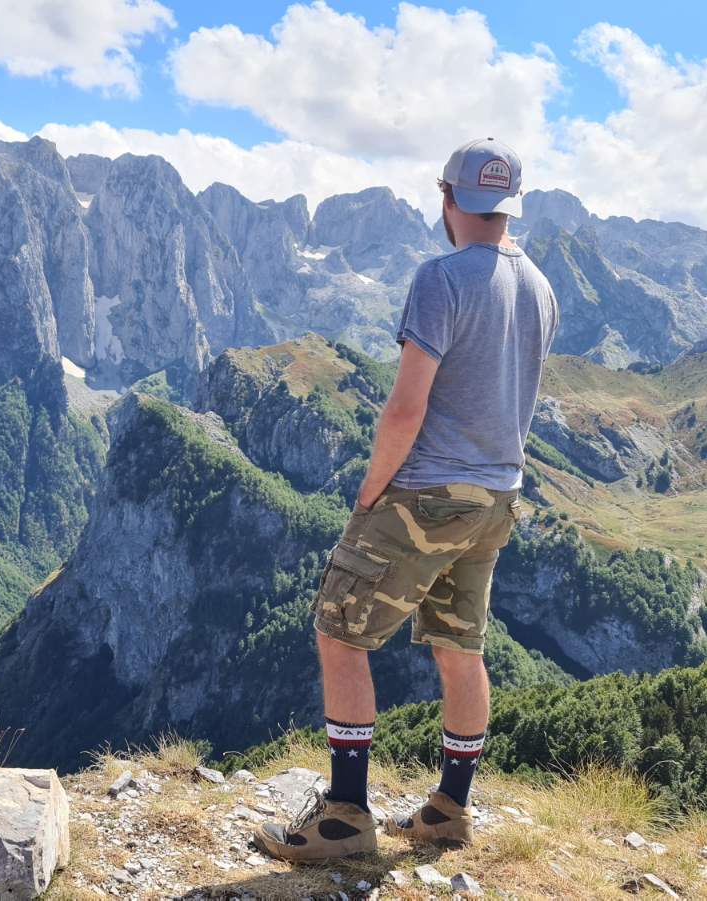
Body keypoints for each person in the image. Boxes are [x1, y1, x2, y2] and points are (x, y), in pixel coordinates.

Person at [255, 138, 558, 862]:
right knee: (461, 646)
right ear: (511, 204)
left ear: (448, 198)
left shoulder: (440, 278)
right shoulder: (542, 287)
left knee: (340, 631)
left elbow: (405, 409)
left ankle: (345, 817)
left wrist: (371, 490)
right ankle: (450, 809)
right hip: (498, 498)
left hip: (425, 495)